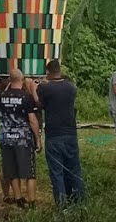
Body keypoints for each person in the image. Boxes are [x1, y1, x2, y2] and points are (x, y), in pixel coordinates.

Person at [35, 59, 84, 206]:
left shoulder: (45, 89)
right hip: (70, 133)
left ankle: (62, 205)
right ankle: (78, 201)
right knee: (74, 169)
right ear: (60, 70)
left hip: (54, 135)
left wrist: (34, 88)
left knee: (57, 172)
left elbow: (39, 104)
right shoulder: (71, 87)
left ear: (48, 72)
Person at [0, 67, 42, 208]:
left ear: (10, 79)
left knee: (12, 170)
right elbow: (32, 120)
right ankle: (32, 201)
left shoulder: (1, 96)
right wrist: (37, 138)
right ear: (22, 80)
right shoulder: (26, 97)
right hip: (23, 138)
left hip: (7, 137)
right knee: (29, 171)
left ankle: (18, 198)